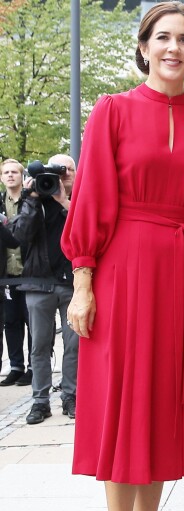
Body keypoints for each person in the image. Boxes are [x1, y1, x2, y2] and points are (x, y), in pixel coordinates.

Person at [60, 3, 184, 511]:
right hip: (120, 271)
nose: (173, 48)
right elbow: (89, 200)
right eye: (163, 37)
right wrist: (83, 283)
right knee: (118, 407)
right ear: (143, 47)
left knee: (161, 410)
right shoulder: (111, 111)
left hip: (181, 276)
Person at [11, 154, 79, 425]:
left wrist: (63, 200)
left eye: (68, 170)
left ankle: (71, 396)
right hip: (39, 282)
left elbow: (89, 227)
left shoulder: (82, 198)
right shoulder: (34, 197)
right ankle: (40, 401)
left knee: (74, 345)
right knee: (39, 345)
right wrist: (31, 197)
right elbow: (19, 236)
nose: (63, 176)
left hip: (73, 283)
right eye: (58, 171)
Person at [0, 159, 32, 387]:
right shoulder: (0, 203)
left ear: (21, 176)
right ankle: (15, 367)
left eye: (14, 172)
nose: (10, 175)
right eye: (6, 172)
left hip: (30, 270)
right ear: (1, 177)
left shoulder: (31, 199)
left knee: (33, 322)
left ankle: (33, 367)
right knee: (11, 321)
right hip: (6, 273)